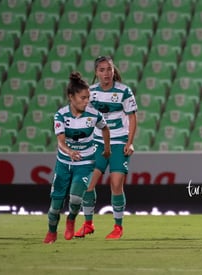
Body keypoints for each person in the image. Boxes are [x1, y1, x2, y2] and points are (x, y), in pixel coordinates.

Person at [74, 56, 138, 239]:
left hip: (119, 141)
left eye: (108, 69)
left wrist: (130, 142)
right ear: (96, 73)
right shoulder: (91, 92)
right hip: (98, 142)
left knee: (116, 183)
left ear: (113, 70)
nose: (106, 73)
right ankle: (88, 224)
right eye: (101, 70)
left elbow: (133, 117)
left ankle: (118, 227)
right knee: (87, 184)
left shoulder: (124, 91)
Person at [43, 72, 111, 244]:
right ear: (71, 97)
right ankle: (52, 232)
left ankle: (71, 219)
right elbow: (60, 142)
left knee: (75, 199)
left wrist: (107, 148)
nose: (86, 101)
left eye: (88, 97)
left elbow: (105, 128)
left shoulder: (93, 114)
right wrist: (69, 151)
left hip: (86, 162)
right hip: (64, 163)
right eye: (83, 98)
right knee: (55, 207)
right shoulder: (61, 115)